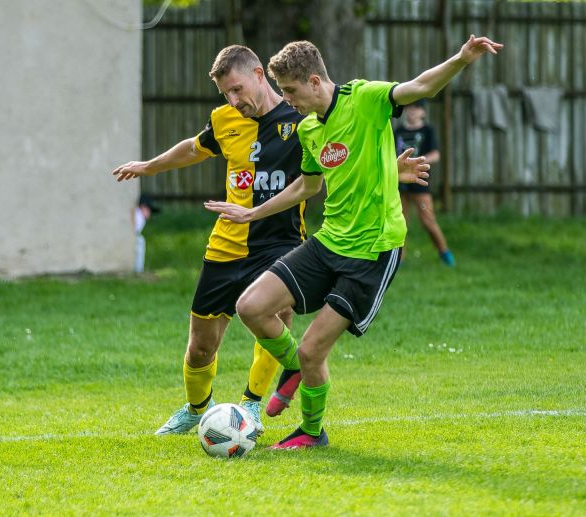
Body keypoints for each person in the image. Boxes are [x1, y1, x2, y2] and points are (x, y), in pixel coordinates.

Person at [205, 35, 502, 449]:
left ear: (313, 81)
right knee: (250, 307)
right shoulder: (309, 129)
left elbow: (421, 87)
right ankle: (293, 370)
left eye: (290, 91)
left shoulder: (365, 99)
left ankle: (311, 431)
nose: (287, 101)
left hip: (373, 252)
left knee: (313, 352)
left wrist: (462, 58)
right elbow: (306, 187)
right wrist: (253, 213)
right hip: (329, 242)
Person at [111, 45, 307, 436]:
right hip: (226, 245)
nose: (233, 101)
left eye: (236, 89)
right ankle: (198, 409)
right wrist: (148, 167)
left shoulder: (300, 119)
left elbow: (340, 156)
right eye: (225, 95)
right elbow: (194, 148)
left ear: (258, 74)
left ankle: (252, 405)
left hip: (279, 241)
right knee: (200, 345)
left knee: (275, 319)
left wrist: (393, 167)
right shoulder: (225, 120)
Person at [393, 100, 455, 266]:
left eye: (416, 108)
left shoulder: (427, 130)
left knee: (428, 221)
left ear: (422, 112)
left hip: (420, 183)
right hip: (399, 184)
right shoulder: (398, 131)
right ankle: (399, 259)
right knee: (400, 222)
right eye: (409, 108)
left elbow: (436, 155)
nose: (412, 111)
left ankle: (445, 253)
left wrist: (415, 163)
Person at [133, 194, 160, 273]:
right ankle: (138, 269)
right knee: (140, 240)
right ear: (143, 207)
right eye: (149, 210)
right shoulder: (139, 216)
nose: (150, 213)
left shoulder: (138, 215)